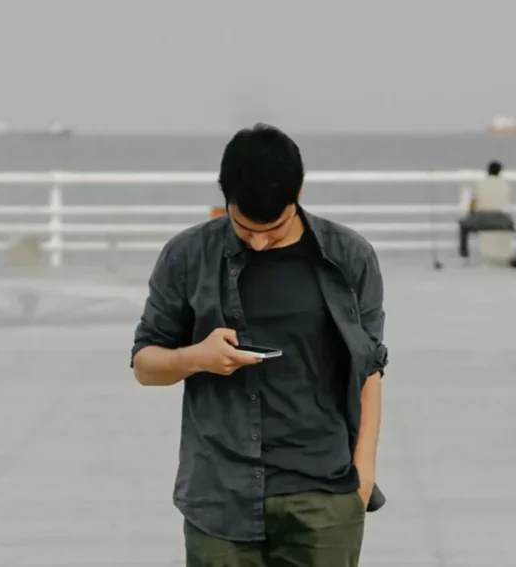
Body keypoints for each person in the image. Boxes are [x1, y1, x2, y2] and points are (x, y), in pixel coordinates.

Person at [131, 124, 388, 567]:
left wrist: (362, 479)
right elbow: (144, 365)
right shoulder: (187, 256)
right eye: (244, 228)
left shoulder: (349, 258)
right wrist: (198, 358)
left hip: (323, 497)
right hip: (219, 497)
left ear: (299, 194)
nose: (258, 241)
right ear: (225, 198)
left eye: (272, 229)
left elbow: (370, 370)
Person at [458, 159, 516, 260]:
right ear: (500, 172)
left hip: (482, 217)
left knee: (463, 226)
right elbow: (507, 202)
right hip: (501, 218)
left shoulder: (480, 183)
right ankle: (504, 252)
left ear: (488, 171)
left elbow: (473, 203)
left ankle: (464, 253)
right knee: (511, 225)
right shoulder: (506, 184)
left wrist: (471, 214)